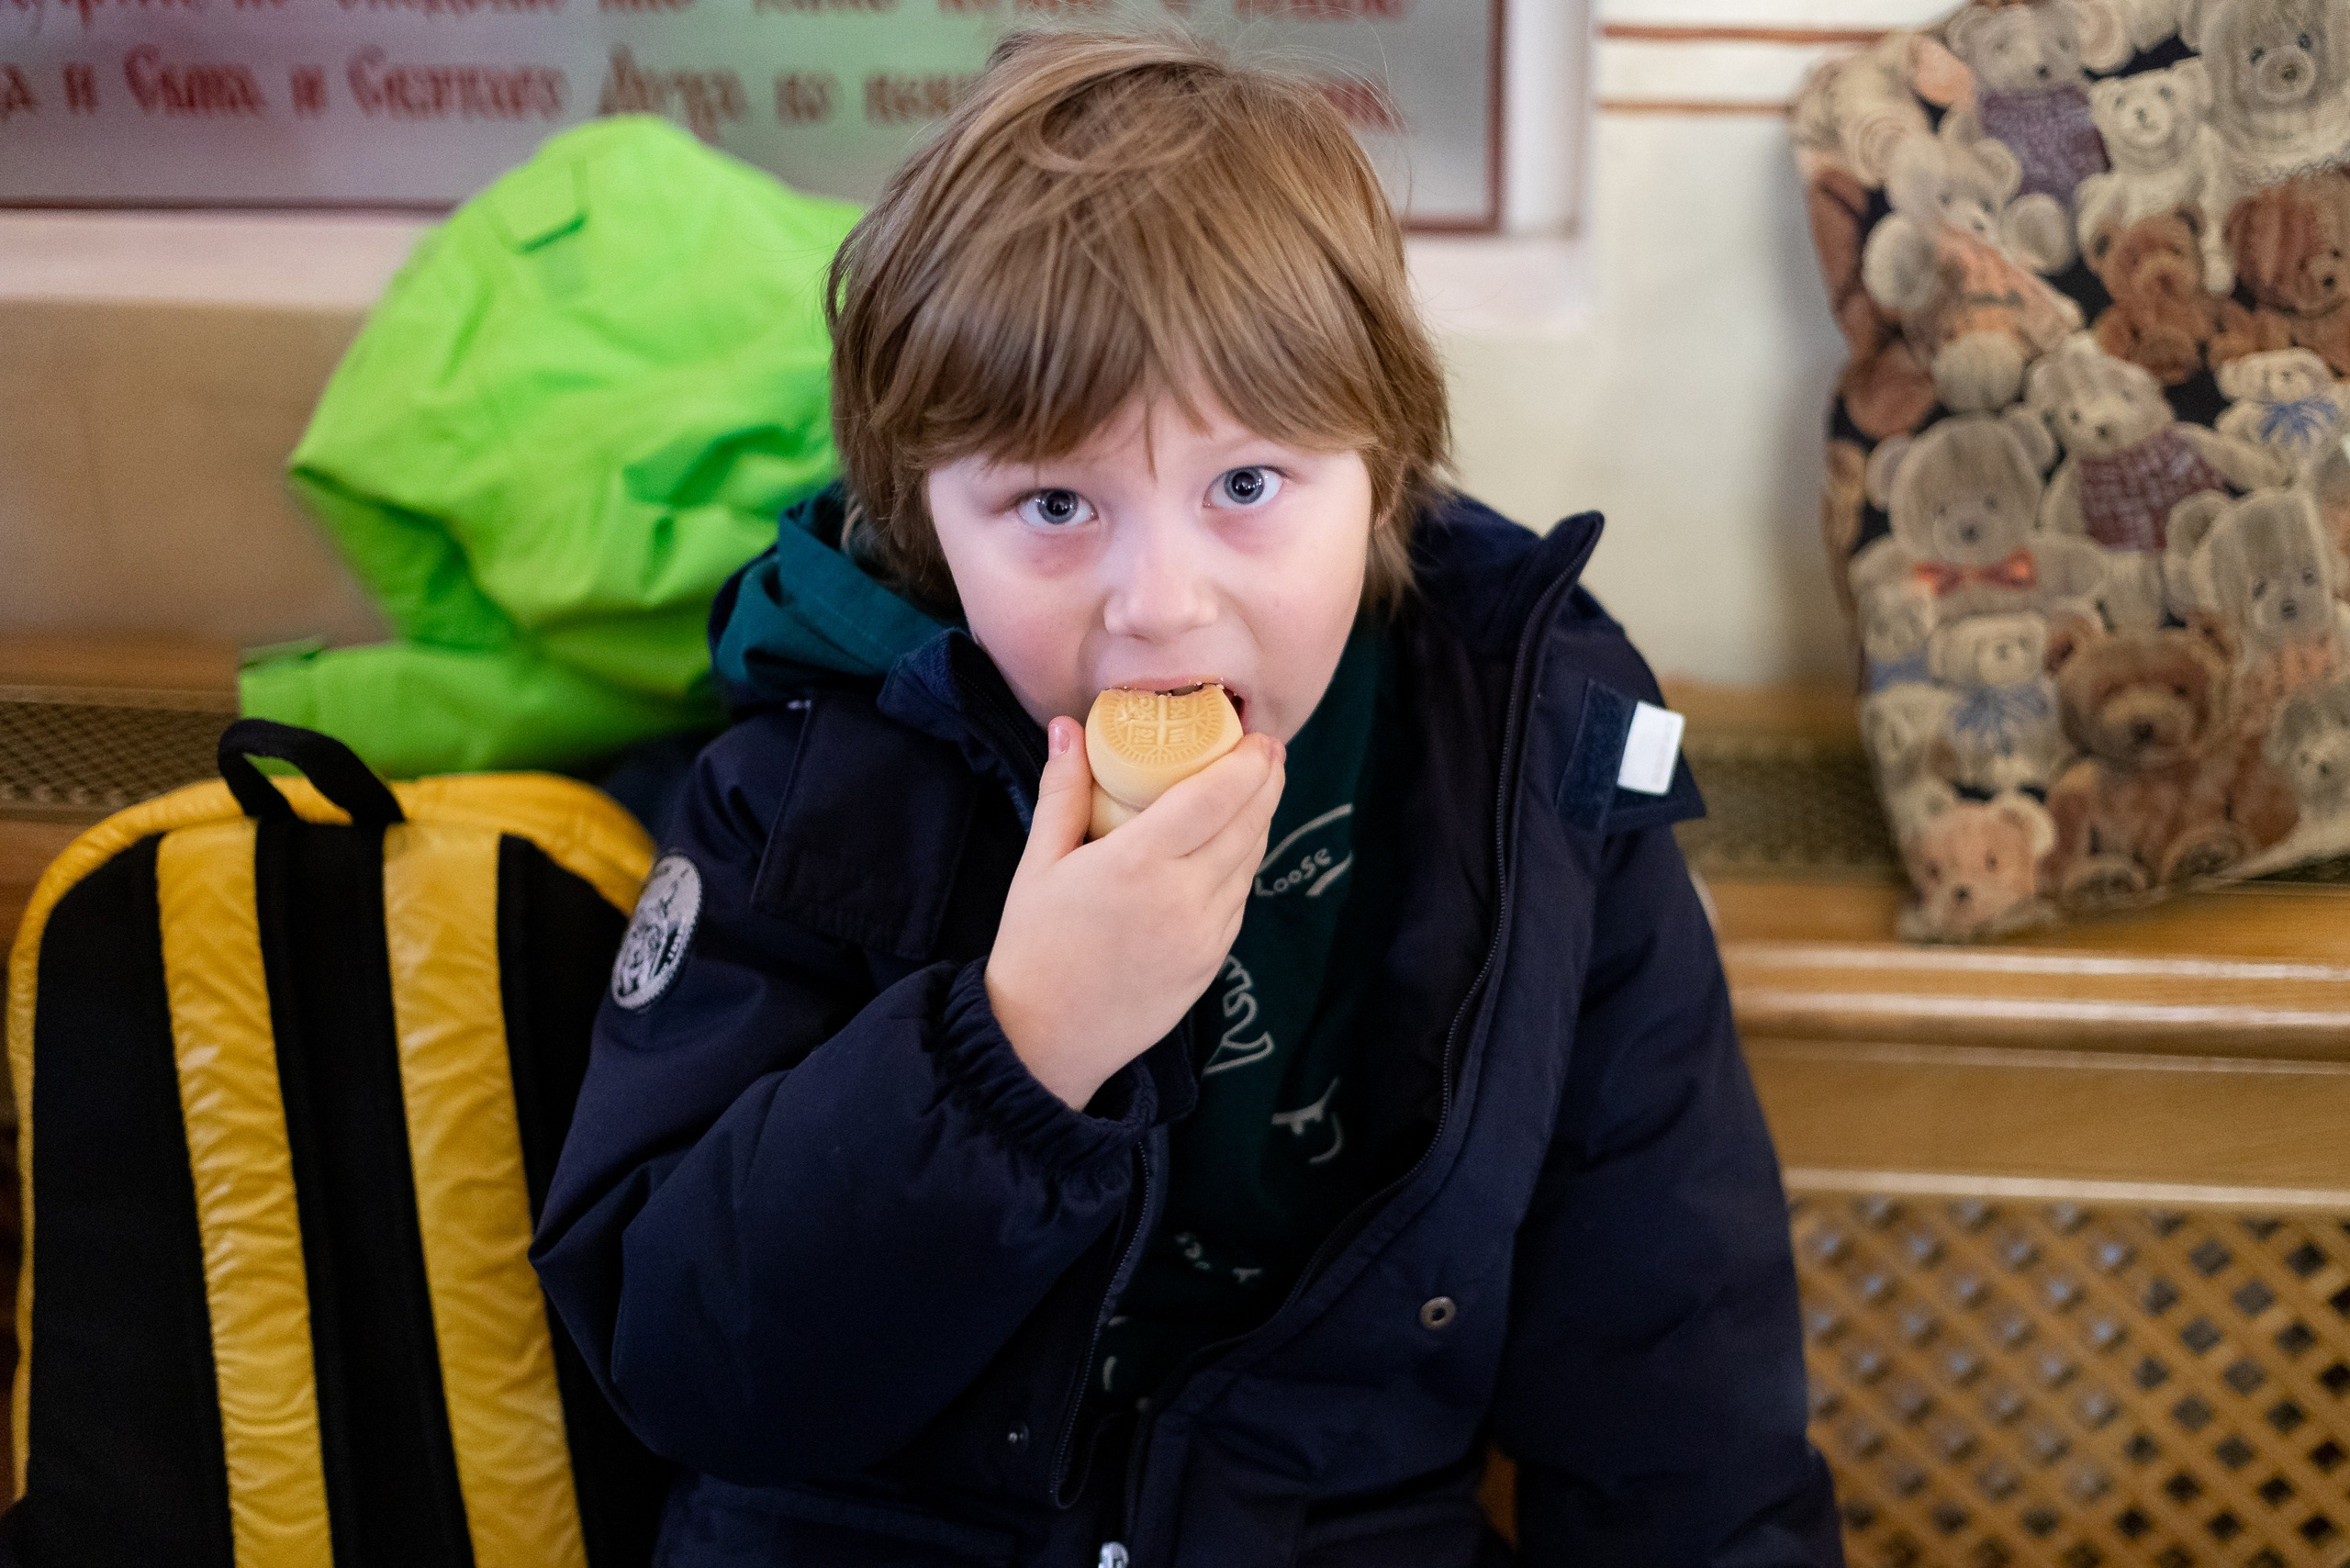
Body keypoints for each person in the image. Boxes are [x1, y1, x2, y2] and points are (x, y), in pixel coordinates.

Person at [532, 28, 1843, 1568]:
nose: (1160, 604)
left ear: (1382, 471)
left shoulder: (1535, 765)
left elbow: (1671, 1361)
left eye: (1246, 486)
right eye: (1053, 503)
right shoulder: (805, 786)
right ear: (925, 523)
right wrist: (1016, 1051)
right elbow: (688, 1368)